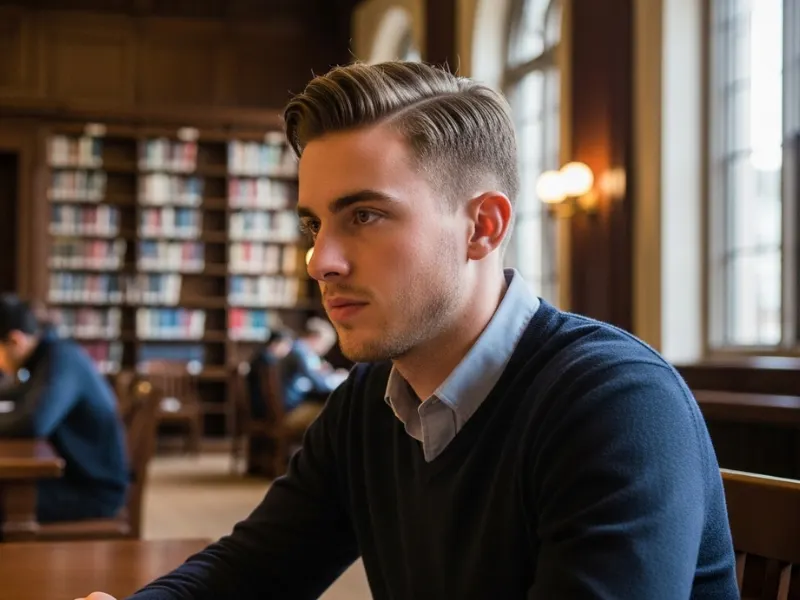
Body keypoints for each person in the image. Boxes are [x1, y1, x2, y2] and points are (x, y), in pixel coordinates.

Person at [80, 61, 737, 599]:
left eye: (364, 216)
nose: (319, 260)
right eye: (314, 224)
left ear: (483, 228)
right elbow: (253, 570)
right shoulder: (372, 402)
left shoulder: (614, 403)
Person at [0, 294, 128, 525]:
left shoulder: (62, 359)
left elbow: (33, 422)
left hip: (92, 490)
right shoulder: (48, 355)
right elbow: (16, 396)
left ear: (15, 341)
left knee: (6, 497)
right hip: (72, 476)